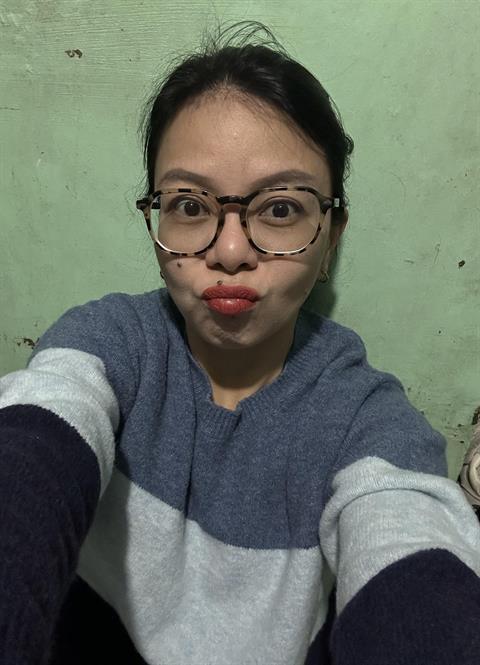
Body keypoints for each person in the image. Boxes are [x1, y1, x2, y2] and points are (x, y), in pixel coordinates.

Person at [0, 21, 479, 665]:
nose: (229, 251)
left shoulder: (366, 419)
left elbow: (408, 542)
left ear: (332, 234)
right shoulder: (107, 344)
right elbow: (34, 444)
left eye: (279, 209)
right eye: (190, 205)